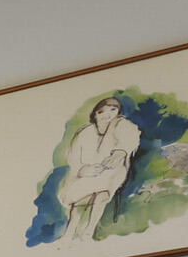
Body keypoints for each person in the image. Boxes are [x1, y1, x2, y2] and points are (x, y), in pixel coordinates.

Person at [58, 94, 139, 245]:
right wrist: (84, 169)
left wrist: (118, 154)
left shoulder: (122, 125)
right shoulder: (85, 132)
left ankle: (89, 231)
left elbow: (129, 140)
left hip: (113, 171)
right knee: (79, 197)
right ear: (95, 115)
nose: (107, 115)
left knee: (102, 193)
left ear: (118, 113)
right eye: (101, 112)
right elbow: (74, 157)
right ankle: (70, 232)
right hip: (88, 172)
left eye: (113, 110)